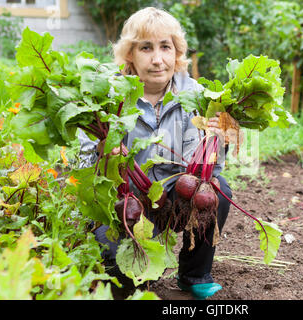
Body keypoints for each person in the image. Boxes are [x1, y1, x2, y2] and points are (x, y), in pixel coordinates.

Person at [78, 7, 232, 300]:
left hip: (174, 198)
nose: (158, 59)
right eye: (146, 48)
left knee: (217, 189)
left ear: (177, 53)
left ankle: (194, 274)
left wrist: (218, 140)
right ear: (130, 55)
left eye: (165, 47)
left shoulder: (198, 94)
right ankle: (133, 265)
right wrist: (103, 151)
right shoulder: (106, 97)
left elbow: (213, 169)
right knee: (126, 285)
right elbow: (82, 166)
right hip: (124, 205)